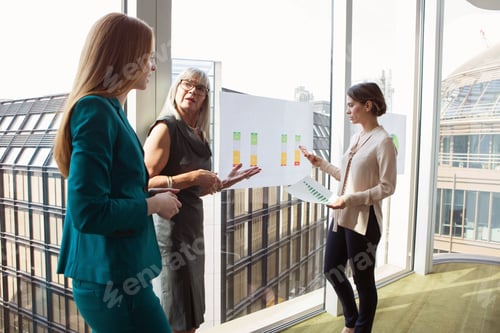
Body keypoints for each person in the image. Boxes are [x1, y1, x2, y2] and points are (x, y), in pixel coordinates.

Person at [53, 12, 182, 333]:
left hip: (118, 277)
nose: (153, 66)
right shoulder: (95, 111)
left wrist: (153, 196)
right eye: (148, 58)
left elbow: (111, 190)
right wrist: (152, 205)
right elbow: (88, 211)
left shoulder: (109, 110)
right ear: (125, 58)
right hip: (111, 280)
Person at [143, 67, 261, 333]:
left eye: (200, 88)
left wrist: (223, 182)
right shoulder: (166, 128)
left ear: (205, 98)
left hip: (193, 234)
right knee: (176, 314)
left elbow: (195, 190)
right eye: (187, 84)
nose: (192, 91)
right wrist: (193, 175)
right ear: (177, 88)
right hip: (171, 234)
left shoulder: (199, 134)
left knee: (192, 315)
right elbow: (144, 182)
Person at [300, 82, 397, 333]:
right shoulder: (357, 137)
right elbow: (348, 176)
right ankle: (352, 320)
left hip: (365, 222)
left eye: (351, 105)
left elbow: (387, 187)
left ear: (368, 105)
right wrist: (320, 163)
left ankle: (361, 329)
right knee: (332, 269)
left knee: (364, 283)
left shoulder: (384, 141)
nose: (348, 111)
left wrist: (349, 199)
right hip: (341, 216)